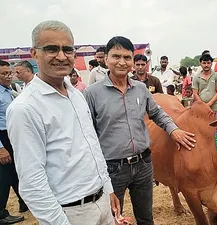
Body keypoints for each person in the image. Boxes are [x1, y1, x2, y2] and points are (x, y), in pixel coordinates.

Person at [6, 20, 120, 225]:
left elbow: (92, 146)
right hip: (71, 213)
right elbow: (32, 182)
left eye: (67, 50)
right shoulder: (25, 108)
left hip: (101, 202)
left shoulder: (76, 95)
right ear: (34, 53)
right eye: (51, 49)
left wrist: (108, 188)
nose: (61, 56)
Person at [83, 36, 196, 225]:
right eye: (116, 56)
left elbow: (158, 114)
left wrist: (174, 130)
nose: (122, 62)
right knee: (112, 218)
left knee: (145, 218)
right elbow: (87, 133)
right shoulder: (92, 94)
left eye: (127, 57)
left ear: (132, 62)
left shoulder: (141, 89)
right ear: (106, 59)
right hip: (112, 168)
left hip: (143, 164)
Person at [0, 60, 25, 225]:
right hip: (2, 137)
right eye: (4, 74)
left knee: (16, 172)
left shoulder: (8, 90)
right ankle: (1, 213)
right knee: (4, 177)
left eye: (10, 73)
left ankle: (25, 203)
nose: (9, 76)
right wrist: (1, 148)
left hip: (11, 135)